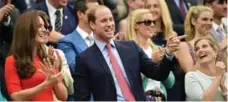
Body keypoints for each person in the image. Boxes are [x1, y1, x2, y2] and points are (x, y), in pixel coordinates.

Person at [74, 5, 184, 101]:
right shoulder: (84, 59)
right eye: (104, 21)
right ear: (92, 25)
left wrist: (168, 52)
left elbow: (158, 74)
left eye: (111, 19)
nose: (109, 24)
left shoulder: (131, 47)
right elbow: (82, 98)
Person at [4, 10, 67, 101]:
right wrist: (45, 85)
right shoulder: (12, 60)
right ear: (27, 29)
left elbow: (63, 97)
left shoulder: (47, 59)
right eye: (40, 26)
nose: (45, 30)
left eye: (45, 27)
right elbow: (16, 97)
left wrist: (55, 81)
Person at [125, 9, 175, 101]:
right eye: (147, 22)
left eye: (153, 22)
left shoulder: (157, 49)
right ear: (136, 25)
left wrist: (163, 63)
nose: (152, 25)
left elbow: (170, 83)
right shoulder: (127, 51)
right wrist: (152, 61)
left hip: (160, 98)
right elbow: (127, 82)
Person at [57, 0, 99, 101]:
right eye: (94, 12)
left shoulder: (103, 39)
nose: (98, 15)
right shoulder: (66, 42)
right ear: (80, 14)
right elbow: (77, 68)